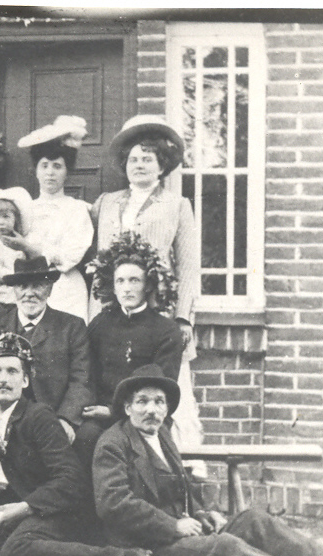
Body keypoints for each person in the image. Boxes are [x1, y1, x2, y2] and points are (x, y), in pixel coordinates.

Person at [93, 364, 323, 556]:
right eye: (142, 401)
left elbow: (182, 486)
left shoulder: (163, 435)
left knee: (253, 520)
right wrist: (173, 525)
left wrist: (202, 513)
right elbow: (114, 504)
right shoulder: (113, 444)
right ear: (127, 407)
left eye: (159, 402)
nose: (151, 410)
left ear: (166, 409)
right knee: (226, 548)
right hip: (149, 546)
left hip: (182, 533)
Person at [0, 333, 163, 556]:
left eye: (12, 371)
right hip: (18, 517)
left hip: (55, 513)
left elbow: (71, 480)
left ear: (25, 380)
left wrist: (23, 508)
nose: (3, 379)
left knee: (16, 551)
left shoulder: (38, 416)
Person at [90, 114, 204, 477]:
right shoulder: (106, 202)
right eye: (134, 159)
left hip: (158, 311)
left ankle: (180, 470)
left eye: (148, 159)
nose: (139, 165)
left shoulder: (177, 205)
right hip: (111, 307)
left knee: (165, 385)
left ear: (161, 165)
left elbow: (189, 266)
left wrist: (183, 317)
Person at [0, 256, 92, 443]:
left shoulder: (71, 326)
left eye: (37, 286)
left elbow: (82, 378)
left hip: (49, 419)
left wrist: (65, 419)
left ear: (49, 289)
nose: (29, 293)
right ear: (14, 290)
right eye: (22, 286)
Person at [74, 232, 184, 467]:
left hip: (146, 415)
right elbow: (87, 373)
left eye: (134, 281)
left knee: (136, 447)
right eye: (120, 281)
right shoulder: (100, 324)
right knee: (85, 437)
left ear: (148, 285)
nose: (127, 289)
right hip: (100, 415)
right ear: (112, 286)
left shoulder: (166, 331)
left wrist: (114, 411)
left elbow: (162, 388)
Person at [16, 115, 94, 321]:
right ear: (36, 171)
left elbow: (71, 255)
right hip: (30, 288)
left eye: (57, 166)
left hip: (66, 288)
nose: (50, 173)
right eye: (44, 166)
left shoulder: (78, 209)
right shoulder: (24, 209)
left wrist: (34, 250)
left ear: (67, 172)